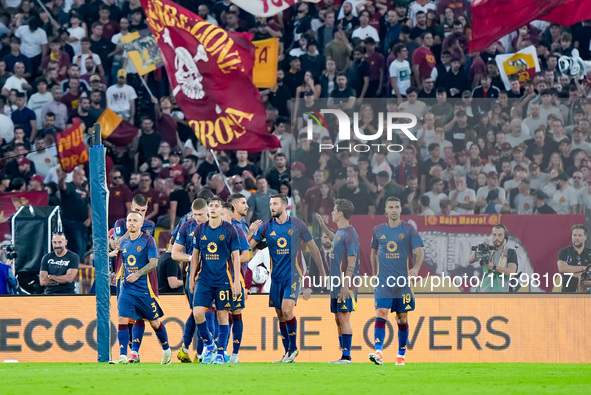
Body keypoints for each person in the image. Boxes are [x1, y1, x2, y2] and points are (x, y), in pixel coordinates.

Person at [251, 194, 325, 363]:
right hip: (275, 278)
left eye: (275, 204)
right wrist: (249, 233)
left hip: (293, 275)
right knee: (280, 315)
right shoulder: (266, 227)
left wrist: (322, 272)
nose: (272, 207)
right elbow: (249, 247)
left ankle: (293, 348)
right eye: (270, 204)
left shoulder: (298, 225)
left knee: (287, 310)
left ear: (284, 206)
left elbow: (313, 248)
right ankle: (288, 354)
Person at [109, 212, 172, 365]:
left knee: (155, 322)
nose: (131, 223)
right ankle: (123, 355)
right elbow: (124, 262)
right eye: (129, 220)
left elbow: (154, 263)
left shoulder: (148, 240)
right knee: (122, 318)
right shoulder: (123, 243)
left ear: (141, 223)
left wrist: (137, 274)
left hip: (144, 289)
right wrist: (121, 275)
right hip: (127, 288)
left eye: (134, 221)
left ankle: (166, 349)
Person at [368, 196, 424, 366]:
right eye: (390, 207)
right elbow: (373, 253)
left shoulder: (408, 229)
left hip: (402, 283)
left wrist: (415, 269)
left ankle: (401, 356)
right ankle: (378, 352)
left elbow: (420, 252)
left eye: (396, 207)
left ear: (401, 209)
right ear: (385, 210)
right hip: (384, 282)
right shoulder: (378, 230)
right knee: (381, 312)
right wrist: (374, 274)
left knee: (402, 317)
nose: (394, 210)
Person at [189, 197, 241, 365]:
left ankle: (220, 352)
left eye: (216, 206)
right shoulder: (199, 229)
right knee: (197, 313)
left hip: (223, 280)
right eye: (210, 205)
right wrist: (191, 278)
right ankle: (210, 344)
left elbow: (236, 257)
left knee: (222, 316)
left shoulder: (230, 230)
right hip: (203, 279)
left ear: (221, 210)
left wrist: (237, 281)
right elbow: (196, 255)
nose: (213, 208)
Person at [316, 199, 359, 364]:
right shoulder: (341, 232)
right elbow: (336, 241)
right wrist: (323, 227)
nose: (332, 212)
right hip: (336, 284)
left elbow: (352, 260)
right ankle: (343, 354)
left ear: (341, 213)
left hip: (344, 285)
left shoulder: (350, 233)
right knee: (337, 318)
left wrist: (345, 285)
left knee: (344, 317)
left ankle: (347, 357)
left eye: (334, 210)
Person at [171, 198, 209, 363]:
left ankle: (189, 349)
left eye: (200, 214)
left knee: (205, 312)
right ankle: (201, 353)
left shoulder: (218, 225)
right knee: (199, 312)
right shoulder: (187, 225)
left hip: (217, 276)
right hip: (192, 276)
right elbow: (174, 253)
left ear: (208, 211)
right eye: (194, 214)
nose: (197, 218)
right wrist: (193, 258)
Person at [469, 225, 518, 292]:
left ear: (505, 237)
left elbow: (512, 272)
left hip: (502, 294)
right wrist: (481, 248)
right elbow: (471, 260)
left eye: (500, 235)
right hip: (484, 292)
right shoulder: (487, 250)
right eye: (494, 235)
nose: (496, 238)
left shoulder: (510, 252)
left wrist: (494, 267)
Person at [557, 225, 591, 293]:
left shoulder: (589, 253)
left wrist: (570, 270)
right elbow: (562, 268)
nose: (576, 238)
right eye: (574, 235)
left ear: (585, 237)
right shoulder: (564, 251)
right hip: (567, 293)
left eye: (579, 235)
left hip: (586, 294)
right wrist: (584, 268)